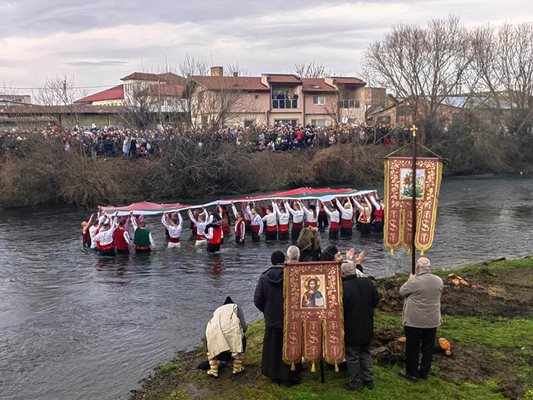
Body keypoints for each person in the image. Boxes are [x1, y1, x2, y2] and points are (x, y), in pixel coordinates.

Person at [254, 251, 301, 386]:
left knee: (273, 347)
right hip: (290, 318)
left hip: (272, 318)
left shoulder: (264, 278)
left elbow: (257, 299)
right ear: (284, 260)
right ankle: (289, 376)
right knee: (290, 346)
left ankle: (273, 374)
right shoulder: (291, 276)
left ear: (272, 261)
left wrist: (266, 311)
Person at [398, 257, 443, 382]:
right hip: (432, 319)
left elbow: (402, 292)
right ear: (430, 267)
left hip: (414, 320)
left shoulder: (414, 282)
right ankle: (424, 372)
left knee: (413, 346)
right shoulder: (439, 280)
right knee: (428, 346)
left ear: (417, 268)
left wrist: (410, 279)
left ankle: (412, 373)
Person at [341, 261, 380, 391]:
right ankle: (369, 380)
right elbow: (376, 300)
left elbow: (340, 309)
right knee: (366, 353)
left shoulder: (343, 287)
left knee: (352, 356)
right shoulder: (367, 282)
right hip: (367, 324)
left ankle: (355, 383)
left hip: (351, 327)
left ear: (343, 273)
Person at [205, 296, 247, 378]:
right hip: (231, 333)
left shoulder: (218, 310)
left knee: (211, 343)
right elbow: (244, 328)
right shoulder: (237, 308)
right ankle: (237, 368)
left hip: (211, 333)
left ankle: (213, 370)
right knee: (242, 340)